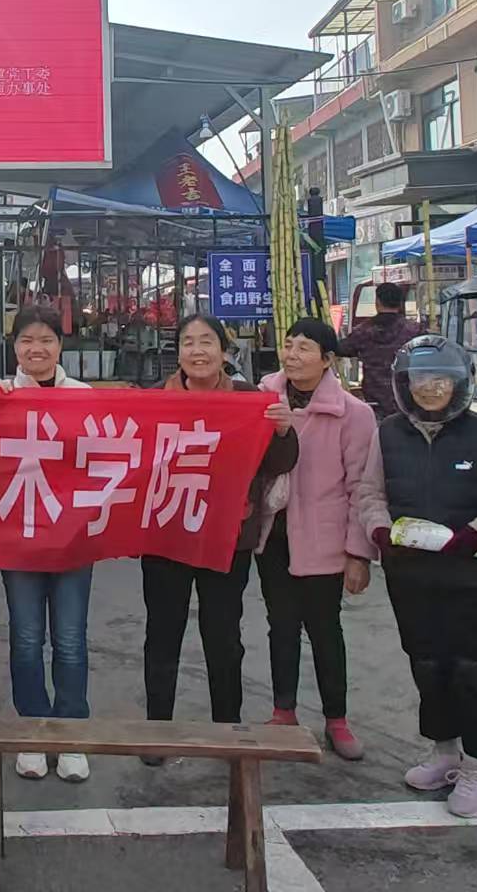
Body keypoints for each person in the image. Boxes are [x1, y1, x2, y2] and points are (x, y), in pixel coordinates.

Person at [373, 334, 477, 819]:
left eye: (441, 379)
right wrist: (377, 529)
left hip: (469, 574)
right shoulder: (387, 434)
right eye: (420, 379)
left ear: (460, 383)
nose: (430, 388)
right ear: (405, 383)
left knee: (469, 668)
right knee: (426, 663)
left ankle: (476, 768)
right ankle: (443, 752)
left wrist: (476, 534)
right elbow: (368, 493)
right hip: (410, 573)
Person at [137, 315, 291, 760]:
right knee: (162, 633)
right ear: (178, 353)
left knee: (223, 635)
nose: (197, 351)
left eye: (207, 342)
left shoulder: (249, 399)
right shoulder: (153, 401)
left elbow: (280, 463)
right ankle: (157, 732)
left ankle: (228, 729)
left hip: (227, 535)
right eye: (188, 342)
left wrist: (283, 431)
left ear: (225, 351)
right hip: (167, 534)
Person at [252, 318, 381, 761]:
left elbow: (362, 487)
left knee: (325, 629)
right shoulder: (263, 399)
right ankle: (283, 711)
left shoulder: (354, 415)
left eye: (304, 348)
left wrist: (358, 553)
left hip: (324, 539)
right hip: (274, 536)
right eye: (288, 345)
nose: (292, 355)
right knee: (281, 626)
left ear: (327, 360)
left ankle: (336, 719)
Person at [0, 305, 95, 782]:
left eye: (46, 339)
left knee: (70, 640)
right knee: (27, 638)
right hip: (19, 539)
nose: (37, 348)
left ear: (60, 345)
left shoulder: (84, 397)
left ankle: (70, 735)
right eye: (27, 340)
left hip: (73, 539)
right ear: (14, 347)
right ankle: (32, 731)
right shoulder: (0, 396)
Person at [342, 283, 428, 413]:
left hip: (374, 401)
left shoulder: (362, 331)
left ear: (377, 302)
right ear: (400, 303)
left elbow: (342, 348)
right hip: (406, 400)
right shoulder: (415, 331)